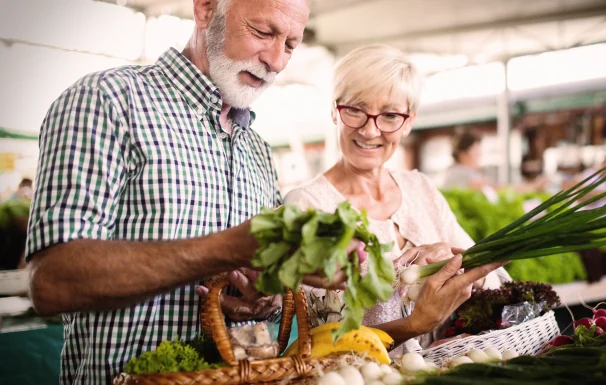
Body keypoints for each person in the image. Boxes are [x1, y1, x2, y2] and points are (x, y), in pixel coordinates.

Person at [24, 1, 457, 383]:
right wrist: (227, 249)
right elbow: (51, 282)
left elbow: (265, 302)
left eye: (290, 44)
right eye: (263, 32)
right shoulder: (107, 101)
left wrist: (260, 300)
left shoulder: (255, 150)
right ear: (206, 8)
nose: (275, 60)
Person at [283, 45, 509, 356]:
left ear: (408, 122)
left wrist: (455, 265)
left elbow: (492, 279)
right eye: (356, 110)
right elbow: (319, 340)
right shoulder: (307, 205)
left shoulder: (421, 189)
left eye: (389, 115)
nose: (370, 129)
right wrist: (414, 324)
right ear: (335, 111)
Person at [443, 131, 548, 202]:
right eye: (476, 154)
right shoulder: (459, 173)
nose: (479, 157)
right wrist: (533, 186)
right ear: (462, 154)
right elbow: (497, 190)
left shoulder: (462, 172)